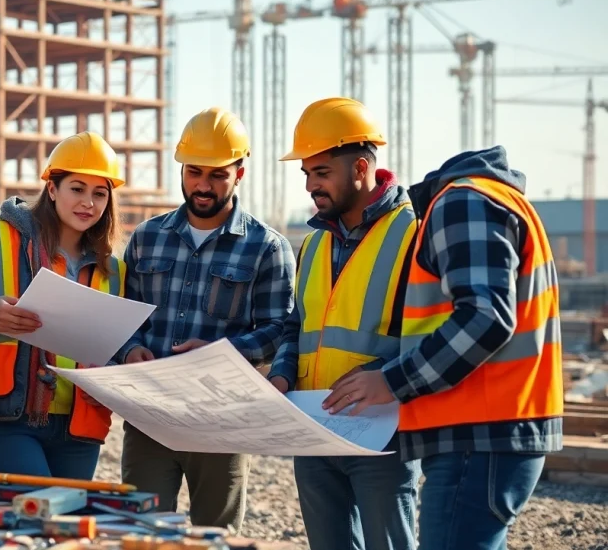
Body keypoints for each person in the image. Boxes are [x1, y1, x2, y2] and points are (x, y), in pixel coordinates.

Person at [322, 144, 564, 550]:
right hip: (496, 429)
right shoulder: (495, 197)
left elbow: (486, 318)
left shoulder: (462, 200)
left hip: (477, 434)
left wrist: (392, 380)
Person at [114, 107, 296, 532]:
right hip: (150, 414)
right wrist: (129, 349)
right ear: (181, 169)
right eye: (194, 172)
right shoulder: (146, 238)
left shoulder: (267, 248)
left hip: (221, 420)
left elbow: (281, 329)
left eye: (217, 175)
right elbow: (124, 314)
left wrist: (221, 353)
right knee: (140, 533)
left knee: (216, 536)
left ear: (239, 173)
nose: (203, 185)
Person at [265, 97, 420, 550]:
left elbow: (429, 333)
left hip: (384, 432)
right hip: (314, 429)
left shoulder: (412, 232)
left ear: (361, 168)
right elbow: (297, 324)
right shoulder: (313, 243)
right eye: (307, 173)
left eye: (321, 172)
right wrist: (281, 373)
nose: (311, 185)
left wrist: (384, 376)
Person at [0, 131, 126, 479]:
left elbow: (119, 344)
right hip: (5, 417)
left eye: (100, 193)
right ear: (52, 189)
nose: (89, 203)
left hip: (80, 425)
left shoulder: (114, 270)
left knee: (66, 513)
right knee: (35, 505)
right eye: (77, 189)